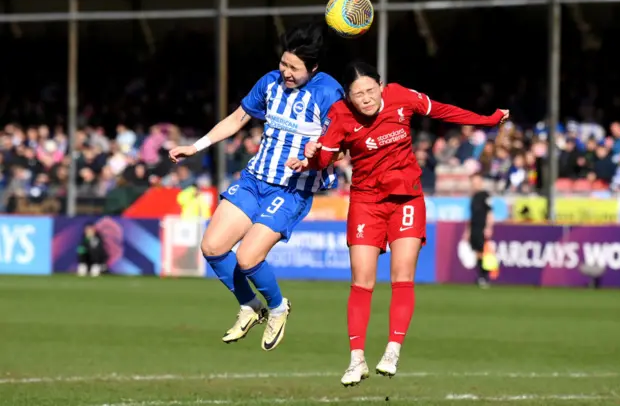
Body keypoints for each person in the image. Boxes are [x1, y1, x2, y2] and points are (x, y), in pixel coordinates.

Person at [286, 61, 508, 385]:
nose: (365, 98)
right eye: (357, 94)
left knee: (401, 276)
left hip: (406, 198)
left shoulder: (401, 97)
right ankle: (356, 359)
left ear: (380, 84)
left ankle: (392, 349)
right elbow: (325, 159)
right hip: (365, 202)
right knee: (362, 281)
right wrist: (310, 157)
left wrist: (487, 120)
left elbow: (443, 111)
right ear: (348, 97)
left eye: (370, 90)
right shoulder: (340, 116)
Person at [168, 22, 343, 351]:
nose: (285, 71)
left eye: (294, 67)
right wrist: (196, 146)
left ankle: (278, 308)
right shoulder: (269, 83)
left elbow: (341, 144)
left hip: (291, 189)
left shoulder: (328, 92)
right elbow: (237, 120)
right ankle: (251, 305)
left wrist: (314, 157)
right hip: (254, 180)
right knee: (213, 247)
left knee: (248, 257)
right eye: (283, 63)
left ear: (314, 68)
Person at [466, 172, 494, 288]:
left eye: (476, 182)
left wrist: (488, 227)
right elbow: (471, 215)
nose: (474, 185)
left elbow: (490, 212)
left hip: (482, 227)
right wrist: (467, 230)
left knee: (483, 252)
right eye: (473, 183)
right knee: (477, 251)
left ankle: (485, 276)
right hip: (474, 227)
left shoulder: (485, 195)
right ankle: (481, 276)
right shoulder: (473, 196)